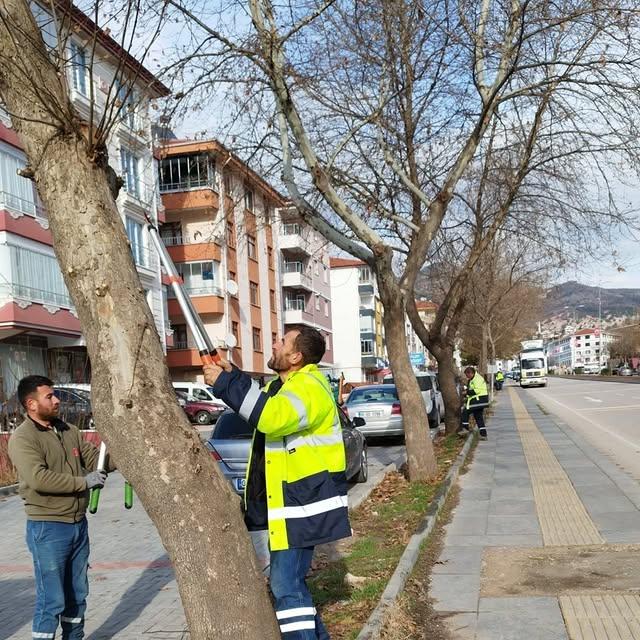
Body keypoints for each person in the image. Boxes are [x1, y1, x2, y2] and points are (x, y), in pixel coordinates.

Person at [204, 326, 350, 640]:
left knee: (285, 585)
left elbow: (270, 417)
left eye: (281, 341)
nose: (274, 343)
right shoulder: (286, 386)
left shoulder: (308, 387)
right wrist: (232, 375)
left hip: (302, 505)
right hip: (292, 505)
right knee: (290, 585)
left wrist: (225, 383)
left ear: (296, 356)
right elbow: (264, 401)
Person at [8, 375, 114, 640]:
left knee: (77, 595)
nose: (57, 400)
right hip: (48, 528)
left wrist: (124, 453)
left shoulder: (68, 431)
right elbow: (38, 478)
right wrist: (83, 482)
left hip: (78, 525)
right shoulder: (23, 438)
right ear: (31, 404)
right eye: (50, 396)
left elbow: (95, 461)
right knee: (52, 599)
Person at [458, 366, 489, 440]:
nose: (466, 377)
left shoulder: (477, 379)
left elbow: (477, 390)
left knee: (465, 412)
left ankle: (465, 429)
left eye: (467, 375)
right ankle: (483, 434)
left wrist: (466, 392)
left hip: (478, 400)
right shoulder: (473, 379)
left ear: (471, 373)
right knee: (478, 417)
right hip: (481, 400)